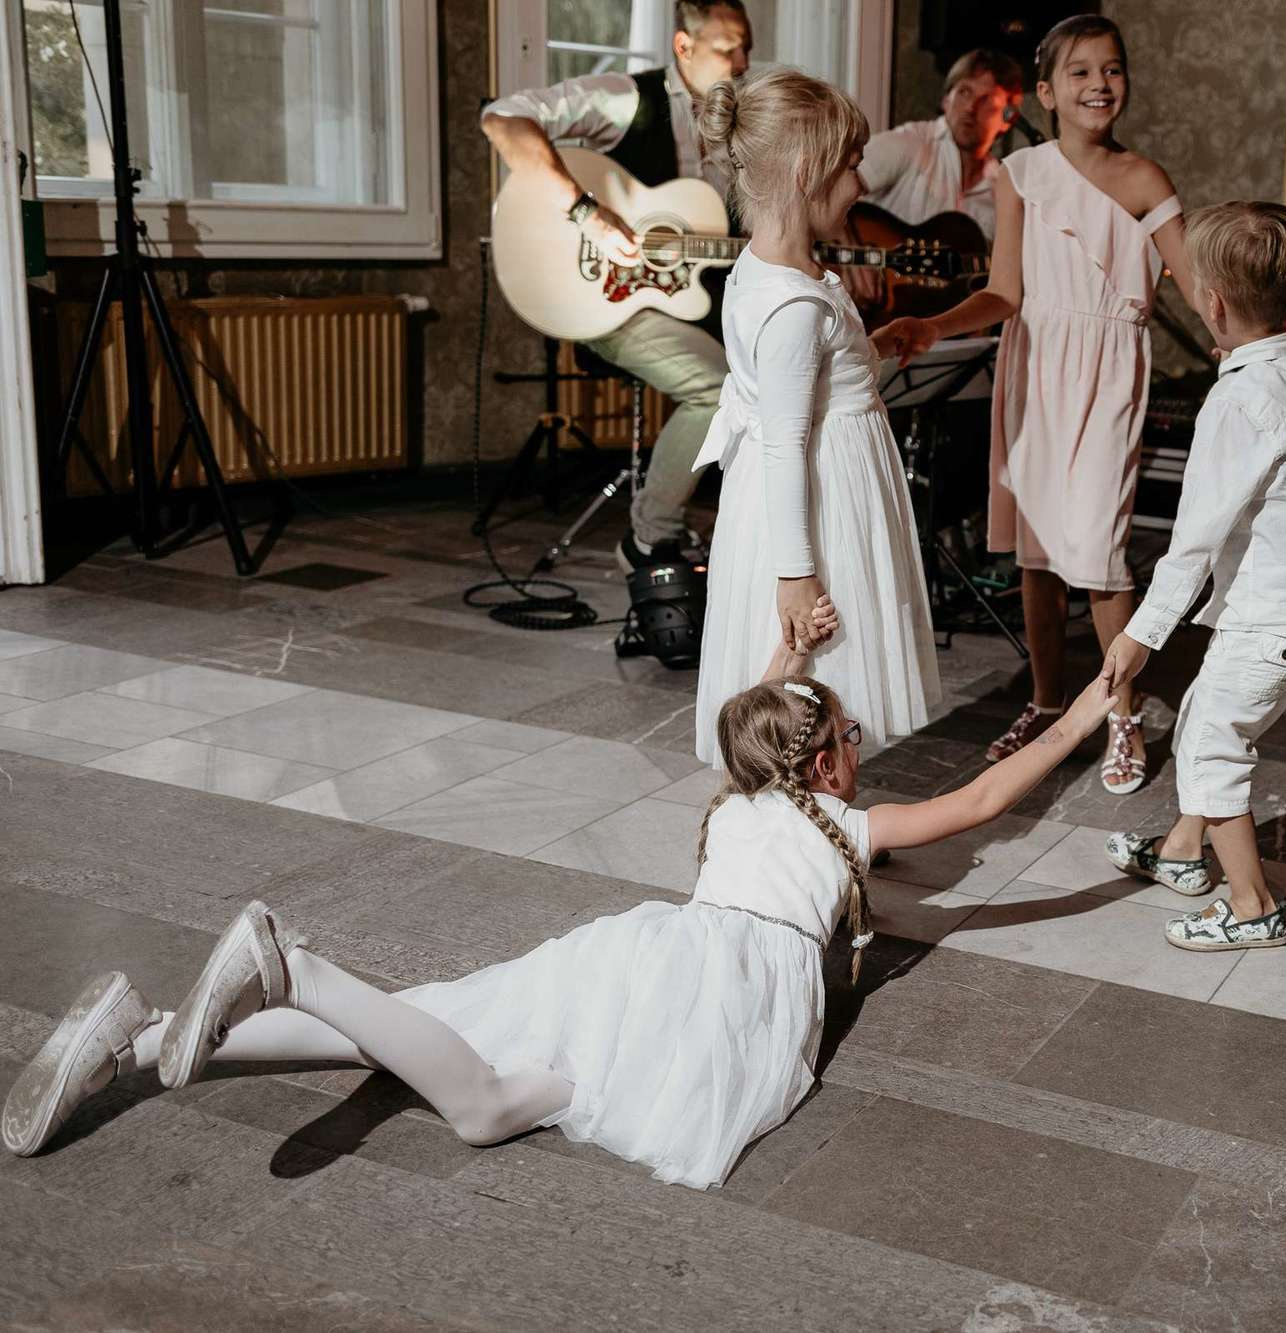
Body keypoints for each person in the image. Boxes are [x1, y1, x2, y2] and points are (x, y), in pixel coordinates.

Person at [1, 641, 1121, 1187]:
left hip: (646, 952)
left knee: (423, 1022)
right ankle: (294, 966)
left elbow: (758, 728)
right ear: (824, 762)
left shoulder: (740, 807)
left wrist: (788, 659)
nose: (863, 755)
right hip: (709, 1000)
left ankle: (129, 1043)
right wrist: (1074, 720)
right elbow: (977, 800)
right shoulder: (844, 825)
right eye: (853, 743)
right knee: (482, 1107)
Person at [875, 15, 1190, 796]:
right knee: (1039, 553)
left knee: (1102, 552)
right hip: (1033, 369)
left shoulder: (1146, 179)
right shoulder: (1020, 177)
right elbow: (1005, 292)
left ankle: (1121, 713)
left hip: (1109, 370)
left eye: (1112, 69)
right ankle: (1048, 701)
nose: (1099, 85)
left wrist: (1244, 340)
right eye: (1080, 73)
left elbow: (1194, 275)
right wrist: (931, 323)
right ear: (1045, 93)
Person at [1098, 202, 1286, 952]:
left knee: (1211, 738)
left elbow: (1194, 541)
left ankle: (1252, 906)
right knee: (1206, 717)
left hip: (1272, 614)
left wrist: (1142, 635)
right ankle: (1184, 851)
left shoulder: (1238, 403)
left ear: (1212, 303)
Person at [688, 68, 941, 768]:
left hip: (818, 481)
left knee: (830, 670)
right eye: (852, 166)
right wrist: (797, 574)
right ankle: (806, 795)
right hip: (819, 501)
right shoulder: (795, 305)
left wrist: (875, 349)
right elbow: (785, 441)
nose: (862, 184)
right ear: (808, 172)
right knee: (827, 660)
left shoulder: (774, 273)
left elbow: (810, 386)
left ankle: (819, 790)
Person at [481, 0, 751, 580]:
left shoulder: (741, 119)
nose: (742, 62)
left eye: (746, 47)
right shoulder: (626, 98)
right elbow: (502, 119)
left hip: (692, 295)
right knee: (719, 390)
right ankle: (650, 538)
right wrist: (586, 212)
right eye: (729, 49)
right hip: (602, 296)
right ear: (683, 46)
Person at [859, 48, 1024, 241]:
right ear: (946, 100)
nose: (971, 107)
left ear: (1007, 119)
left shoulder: (1002, 189)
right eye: (964, 92)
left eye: (987, 100)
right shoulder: (909, 143)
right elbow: (826, 193)